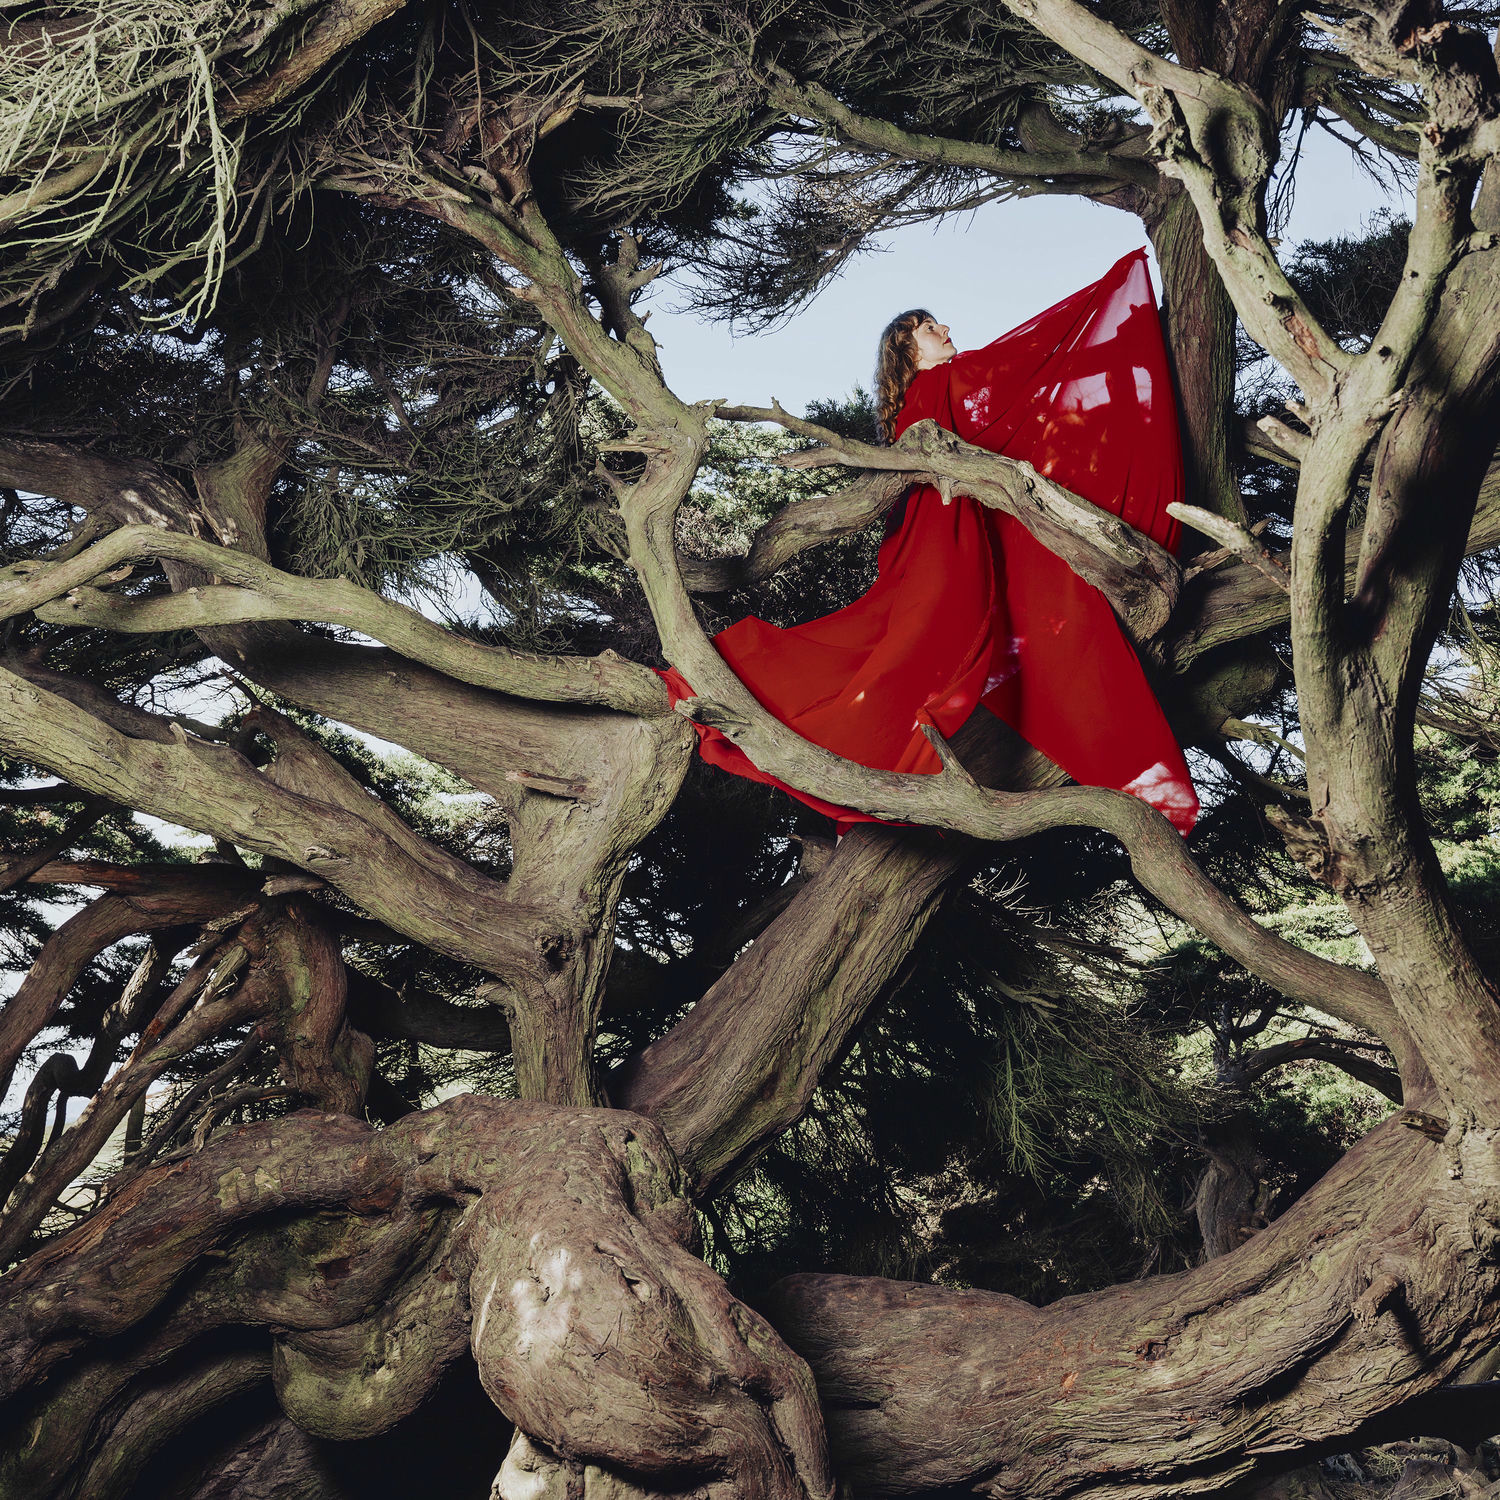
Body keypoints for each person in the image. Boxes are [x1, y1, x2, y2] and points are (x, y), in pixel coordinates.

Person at [656, 248, 1201, 838]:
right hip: (944, 544)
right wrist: (1110, 300)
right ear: (908, 352)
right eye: (929, 328)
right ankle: (823, 723)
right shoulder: (941, 383)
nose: (945, 330)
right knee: (914, 650)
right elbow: (1026, 366)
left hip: (939, 541)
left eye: (940, 324)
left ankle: (837, 737)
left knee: (904, 647)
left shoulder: (927, 401)